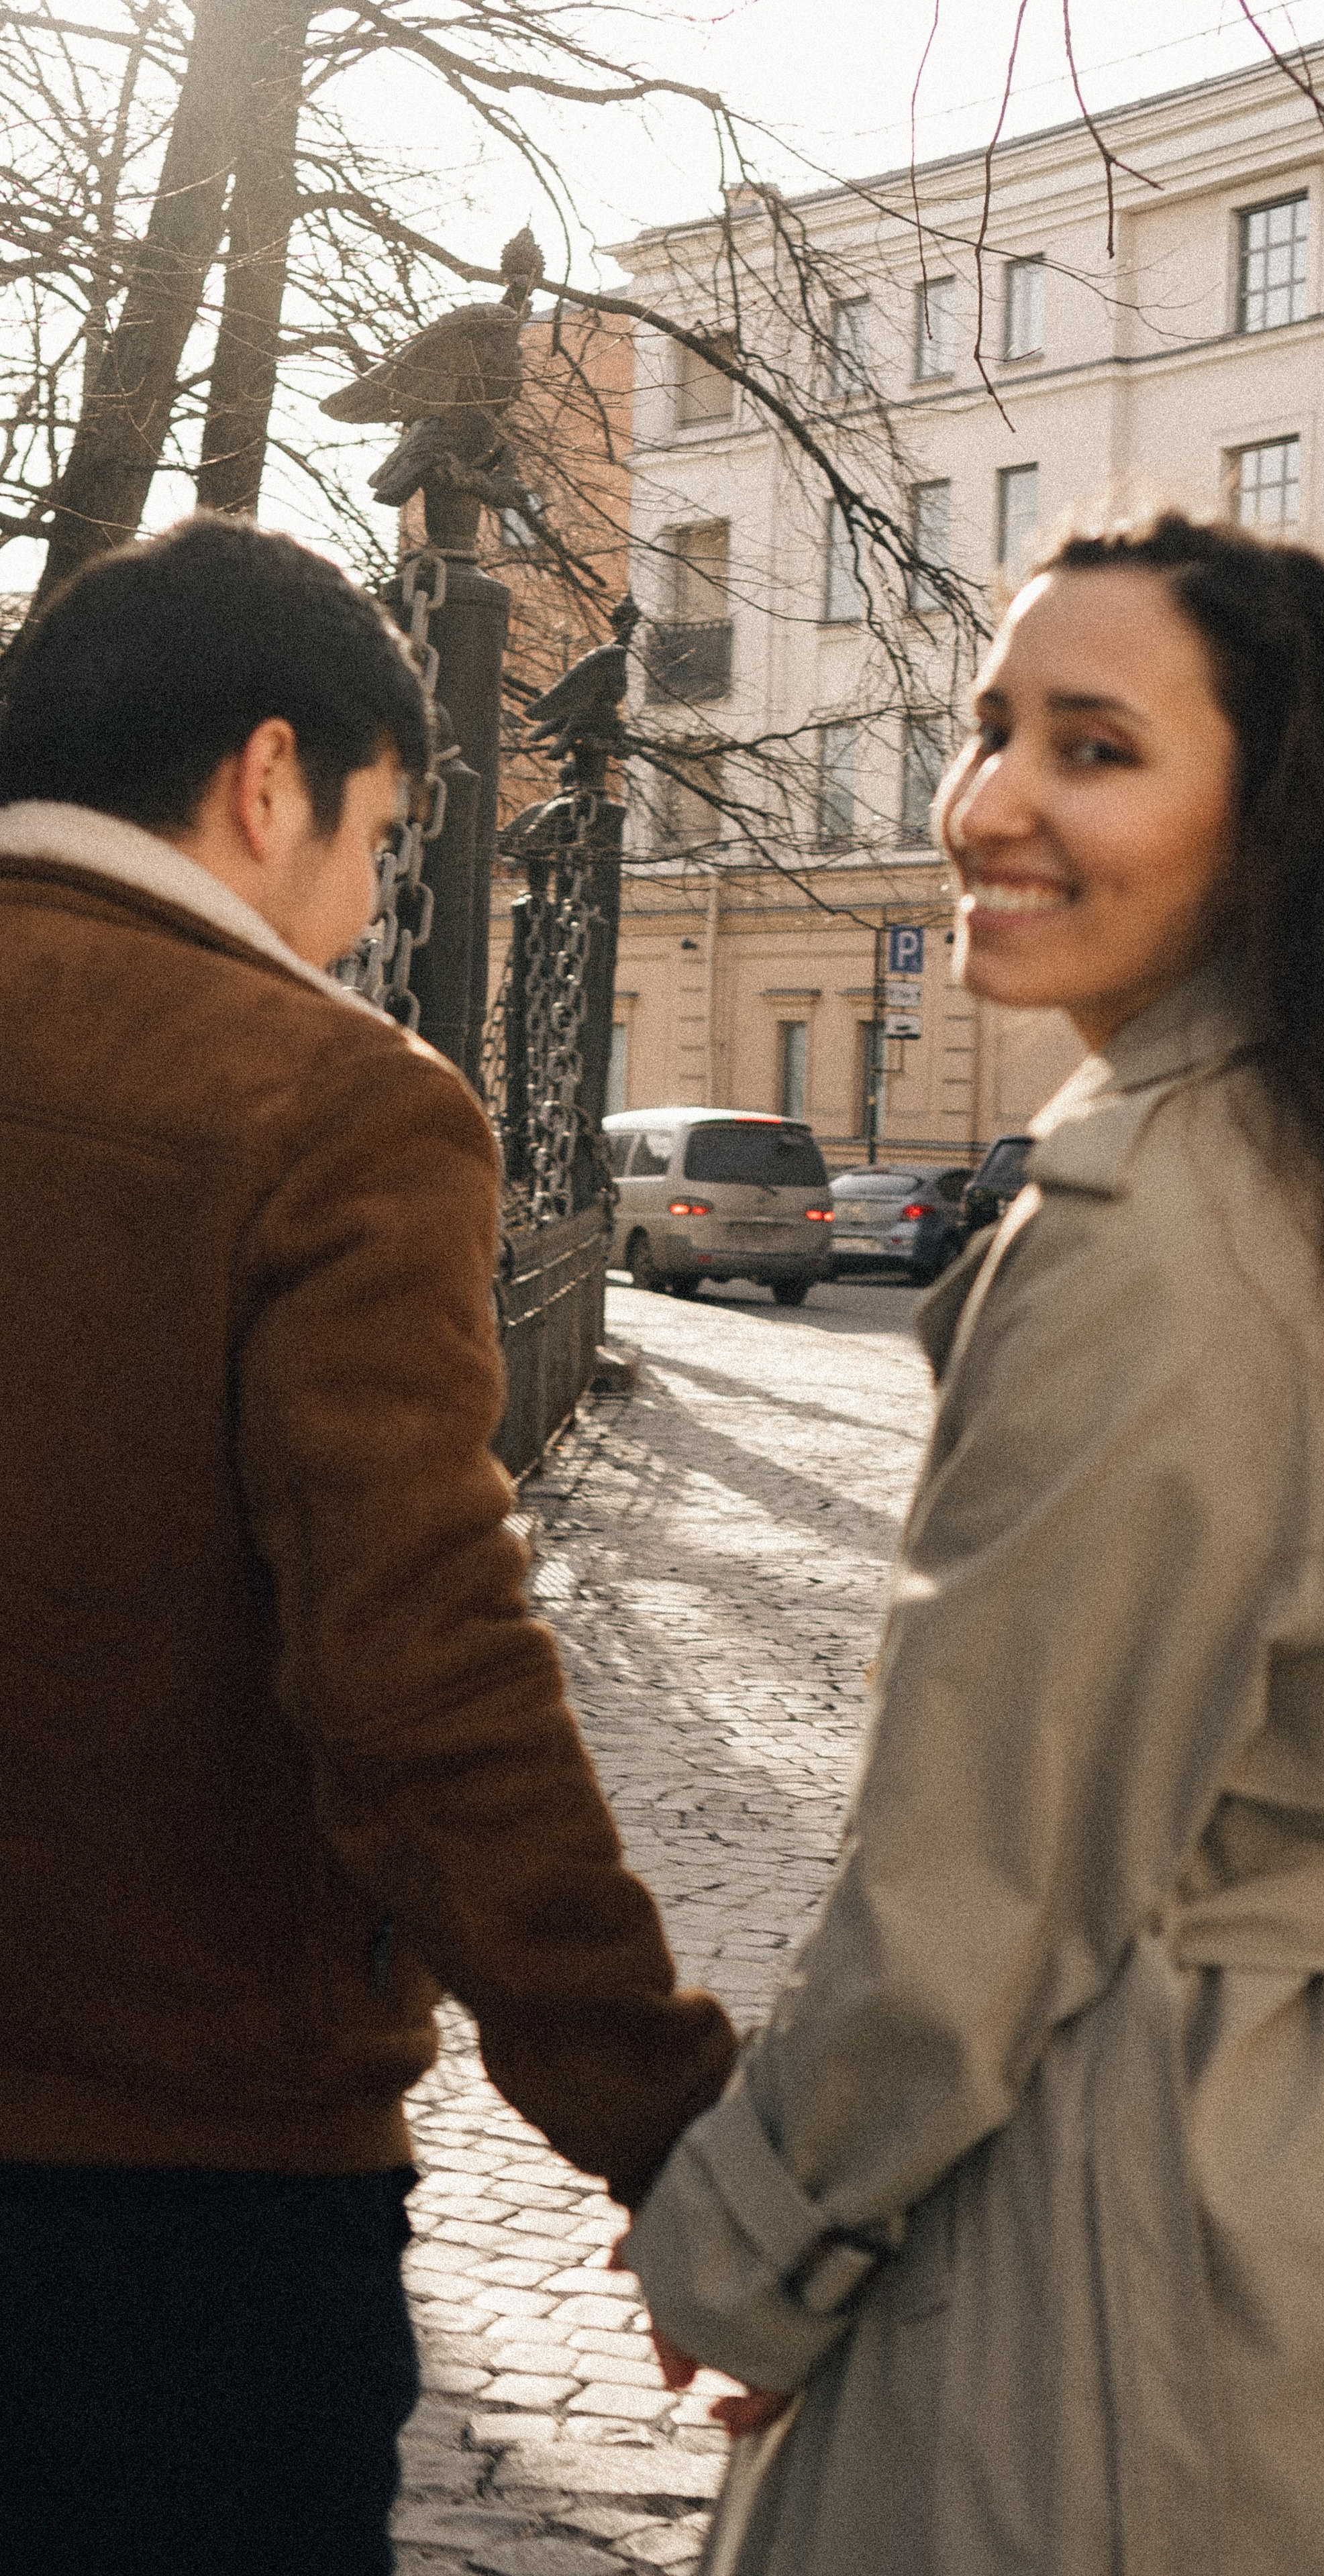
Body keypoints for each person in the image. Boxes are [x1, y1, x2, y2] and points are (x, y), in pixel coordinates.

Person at [625, 513, 1324, 2575]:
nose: (986, 805)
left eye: (1095, 748)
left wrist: (753, 2245)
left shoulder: (1152, 1229)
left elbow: (976, 1874)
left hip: (1168, 2251)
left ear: (1280, 821)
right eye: (990, 729)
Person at [0, 516, 737, 2576]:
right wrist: (666, 2127)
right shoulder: (325, 1107)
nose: (356, 910)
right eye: (381, 835)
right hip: (161, 2200)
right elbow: (420, 1676)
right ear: (270, 777)